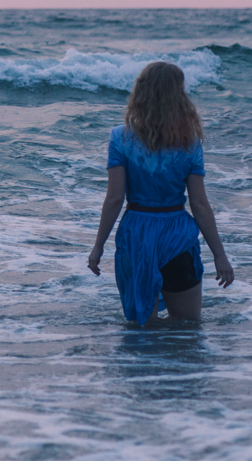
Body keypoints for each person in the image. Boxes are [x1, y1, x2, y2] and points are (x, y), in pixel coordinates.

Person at [87, 61, 233, 324]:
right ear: (178, 96)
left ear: (141, 93)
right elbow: (199, 203)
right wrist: (219, 255)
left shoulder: (119, 138)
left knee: (141, 327)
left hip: (136, 236)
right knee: (187, 329)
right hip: (177, 237)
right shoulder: (190, 141)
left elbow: (115, 199)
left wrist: (98, 247)